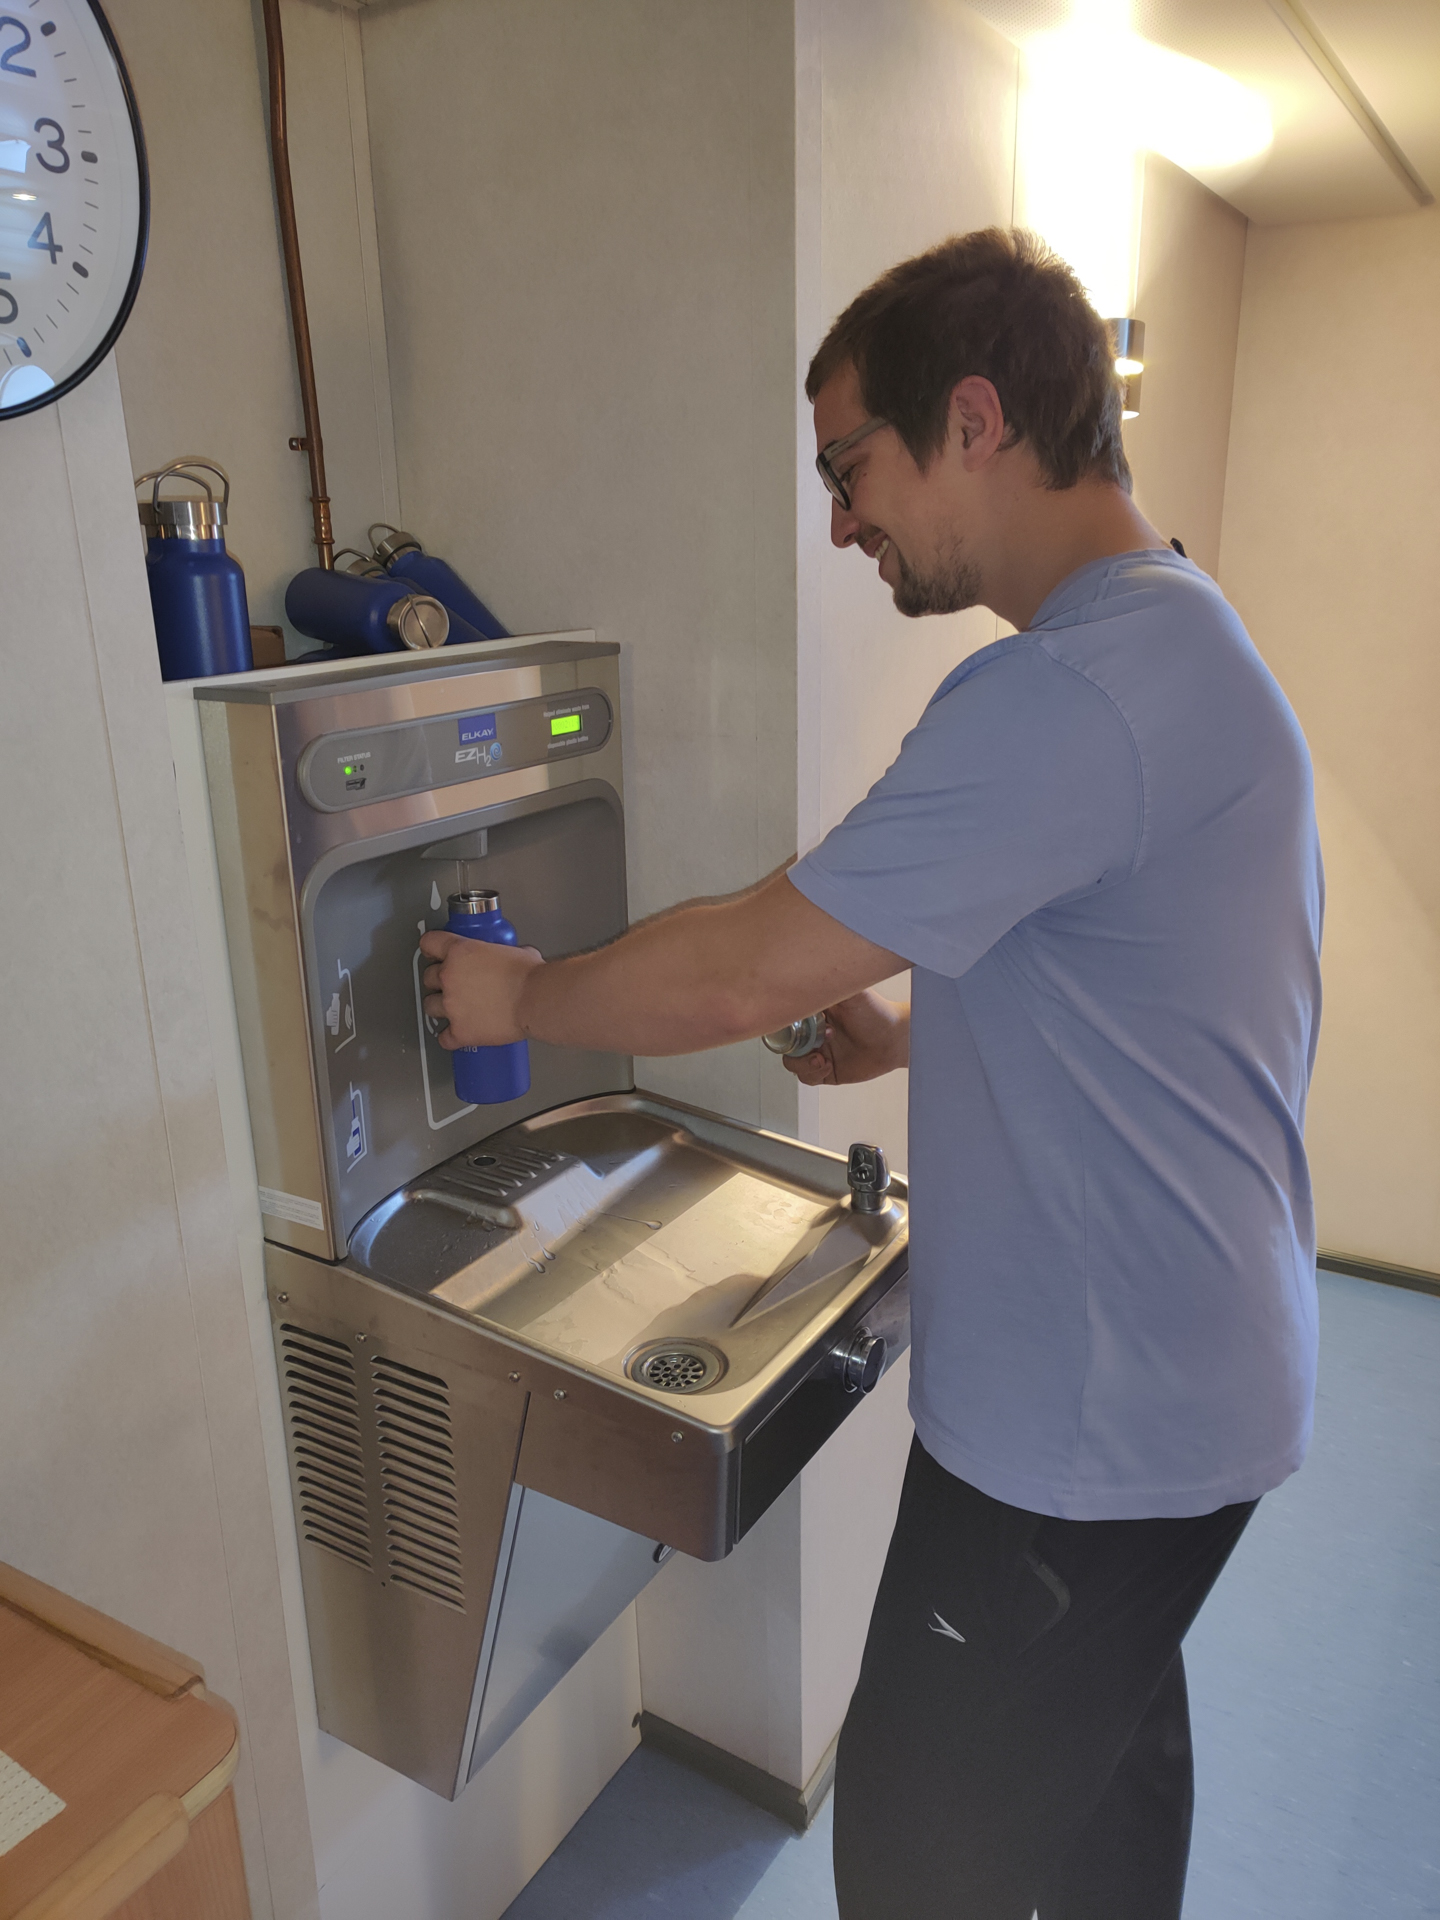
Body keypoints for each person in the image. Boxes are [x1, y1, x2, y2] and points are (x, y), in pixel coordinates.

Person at [420, 226, 1323, 1919]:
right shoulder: (1181, 635)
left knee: (922, 1855)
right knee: (1112, 1787)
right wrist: (914, 1037)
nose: (841, 521)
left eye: (851, 467)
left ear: (972, 417)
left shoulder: (1068, 692)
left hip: (1086, 1433)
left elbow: (760, 951)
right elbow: (1162, 991)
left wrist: (521, 990)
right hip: (1196, 1384)